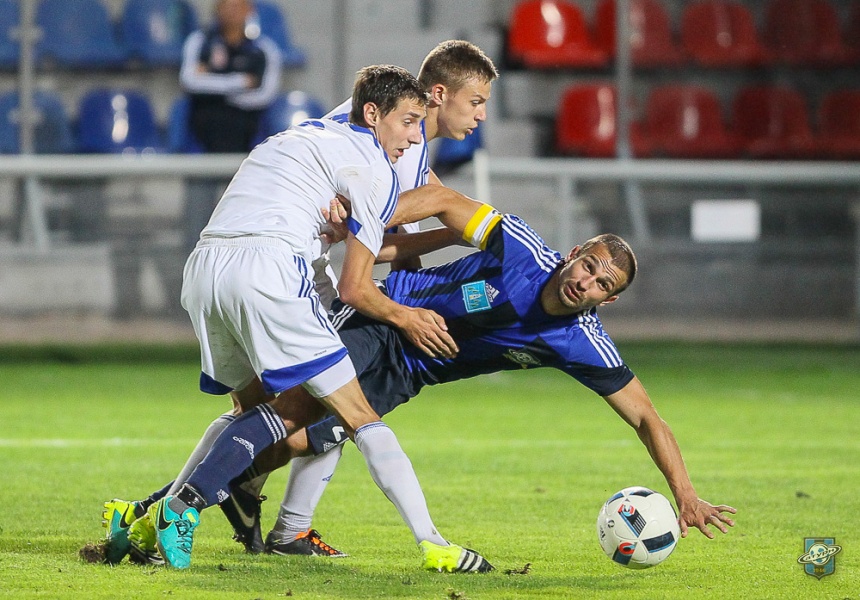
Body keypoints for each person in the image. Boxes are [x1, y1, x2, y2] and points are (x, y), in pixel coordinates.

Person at [101, 65, 495, 572]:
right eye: (407, 123)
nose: (415, 136)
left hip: (205, 269)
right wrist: (406, 316)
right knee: (354, 414)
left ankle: (142, 520)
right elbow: (357, 285)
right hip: (273, 269)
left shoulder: (305, 133)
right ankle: (432, 543)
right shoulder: (375, 168)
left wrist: (433, 236)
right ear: (374, 113)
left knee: (251, 414)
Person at [220, 196, 738, 556]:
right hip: (384, 317)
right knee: (289, 408)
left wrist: (686, 494)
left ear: (610, 300)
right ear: (576, 252)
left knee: (305, 439)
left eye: (603, 284)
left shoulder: (583, 343)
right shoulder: (521, 247)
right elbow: (443, 200)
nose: (587, 283)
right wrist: (368, 221)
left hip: (411, 372)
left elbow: (646, 417)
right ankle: (184, 502)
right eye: (590, 266)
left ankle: (236, 486)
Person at [179, 0, 282, 251]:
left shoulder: (264, 50)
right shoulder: (200, 42)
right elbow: (190, 81)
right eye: (226, 5)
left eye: (239, 6)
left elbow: (264, 95)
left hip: (244, 150)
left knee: (242, 225)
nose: (232, 11)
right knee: (196, 227)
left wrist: (212, 83)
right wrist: (240, 82)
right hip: (202, 147)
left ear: (249, 11)